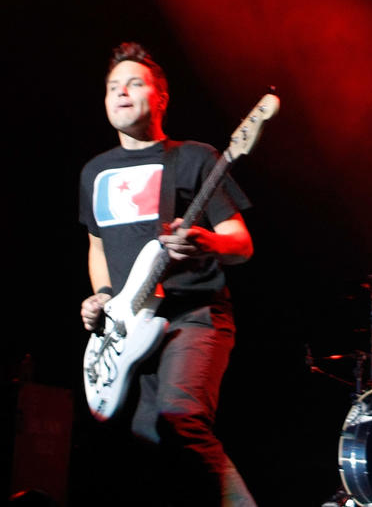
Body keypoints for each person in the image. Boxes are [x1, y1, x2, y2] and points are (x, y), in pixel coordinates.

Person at [79, 42, 256, 506]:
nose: (121, 92)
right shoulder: (94, 172)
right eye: (112, 86)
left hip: (193, 315)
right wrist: (101, 295)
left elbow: (241, 242)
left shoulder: (195, 157)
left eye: (135, 83)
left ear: (161, 98)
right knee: (149, 447)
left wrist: (207, 241)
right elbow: (96, 245)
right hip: (127, 328)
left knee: (180, 416)